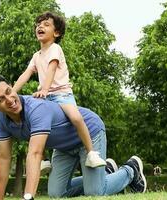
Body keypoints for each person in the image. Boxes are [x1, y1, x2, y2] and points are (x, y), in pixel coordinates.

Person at [0, 73, 147, 199]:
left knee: (95, 192)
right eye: (1, 99)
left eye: (9, 91)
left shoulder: (36, 109)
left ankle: (131, 170)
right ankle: (106, 173)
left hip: (89, 133)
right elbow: (3, 158)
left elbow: (35, 154)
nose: (10, 99)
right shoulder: (1, 119)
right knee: (56, 194)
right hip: (63, 147)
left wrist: (28, 197)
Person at [13, 11, 105, 171]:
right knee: (34, 123)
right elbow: (25, 74)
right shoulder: (36, 56)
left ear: (56, 33)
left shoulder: (55, 48)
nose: (40, 26)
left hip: (61, 95)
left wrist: (45, 90)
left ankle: (91, 153)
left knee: (76, 118)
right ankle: (43, 159)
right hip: (45, 96)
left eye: (46, 24)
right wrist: (12, 93)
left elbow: (52, 69)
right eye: (38, 24)